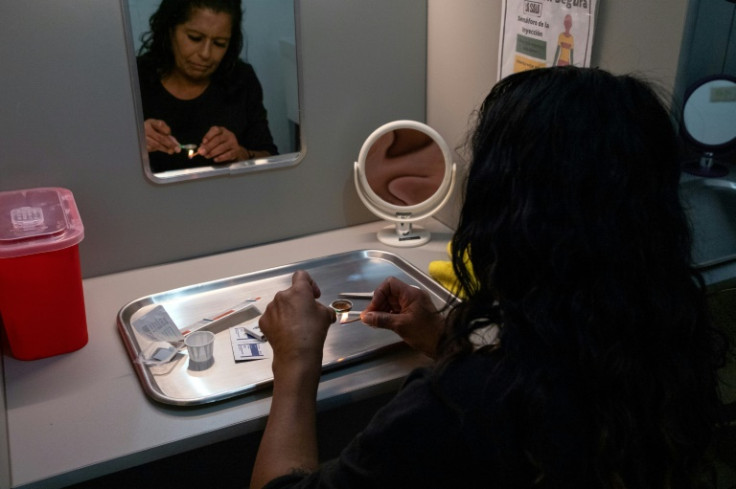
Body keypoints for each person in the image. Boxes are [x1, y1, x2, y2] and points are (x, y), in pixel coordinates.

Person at [251, 67, 728, 488]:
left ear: (510, 219)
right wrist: (446, 343)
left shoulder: (451, 409)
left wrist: (295, 362)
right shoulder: (667, 350)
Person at [136, 0, 277, 173]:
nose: (206, 54)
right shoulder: (134, 78)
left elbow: (271, 158)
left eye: (219, 43)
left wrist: (241, 154)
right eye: (195, 38)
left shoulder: (241, 79)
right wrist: (133, 143)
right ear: (170, 30)